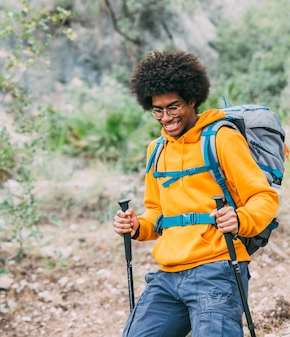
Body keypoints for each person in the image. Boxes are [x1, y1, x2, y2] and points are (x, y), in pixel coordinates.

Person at [113, 50, 279, 337]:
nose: (166, 117)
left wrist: (240, 219)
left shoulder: (222, 139)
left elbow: (264, 197)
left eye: (173, 107)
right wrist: (137, 225)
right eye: (158, 110)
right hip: (167, 275)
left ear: (192, 99)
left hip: (217, 269)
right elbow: (157, 214)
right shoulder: (156, 150)